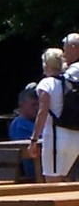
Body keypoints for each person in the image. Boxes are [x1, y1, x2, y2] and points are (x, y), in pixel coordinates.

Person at [26, 48, 79, 181]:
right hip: (74, 137)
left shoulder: (46, 83)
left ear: (46, 65)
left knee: (52, 183)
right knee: (65, 179)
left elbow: (42, 113)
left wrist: (34, 140)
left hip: (56, 137)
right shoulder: (69, 83)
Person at [7, 83, 39, 180]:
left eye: (38, 105)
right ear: (21, 106)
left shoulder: (36, 122)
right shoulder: (19, 125)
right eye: (33, 105)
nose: (37, 108)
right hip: (33, 172)